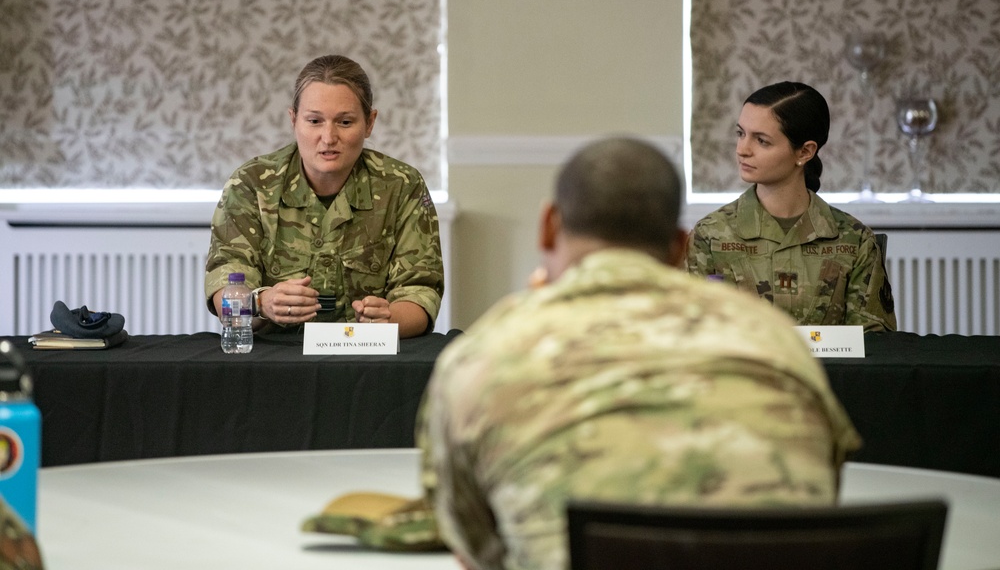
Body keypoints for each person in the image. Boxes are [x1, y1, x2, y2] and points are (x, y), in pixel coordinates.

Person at [417, 137, 861, 570]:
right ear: (679, 247)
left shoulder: (483, 354)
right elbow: (821, 500)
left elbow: (476, 545)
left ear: (549, 225)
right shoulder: (776, 341)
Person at [204, 54, 444, 338]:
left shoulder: (402, 186)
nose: (328, 138)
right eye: (315, 121)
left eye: (344, 122)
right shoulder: (251, 184)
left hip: (366, 358)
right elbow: (226, 291)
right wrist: (261, 303)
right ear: (294, 120)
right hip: (274, 360)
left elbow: (421, 293)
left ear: (369, 123)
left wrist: (389, 320)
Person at [686, 81, 896, 332]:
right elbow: (692, 337)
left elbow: (873, 346)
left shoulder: (854, 240)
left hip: (830, 373)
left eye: (762, 141)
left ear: (804, 152)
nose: (742, 150)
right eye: (740, 133)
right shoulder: (710, 236)